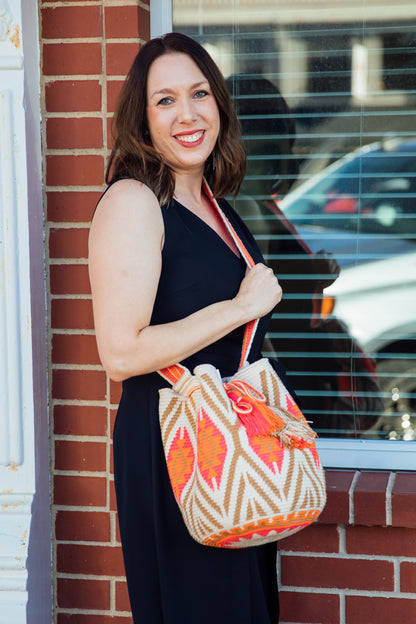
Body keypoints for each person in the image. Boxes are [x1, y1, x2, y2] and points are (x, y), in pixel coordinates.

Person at [88, 33, 292, 623]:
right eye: (165, 100)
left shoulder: (215, 203)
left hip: (234, 449)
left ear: (219, 105)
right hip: (178, 452)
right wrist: (239, 306)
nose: (188, 114)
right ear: (141, 119)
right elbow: (120, 353)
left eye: (199, 94)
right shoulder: (133, 201)